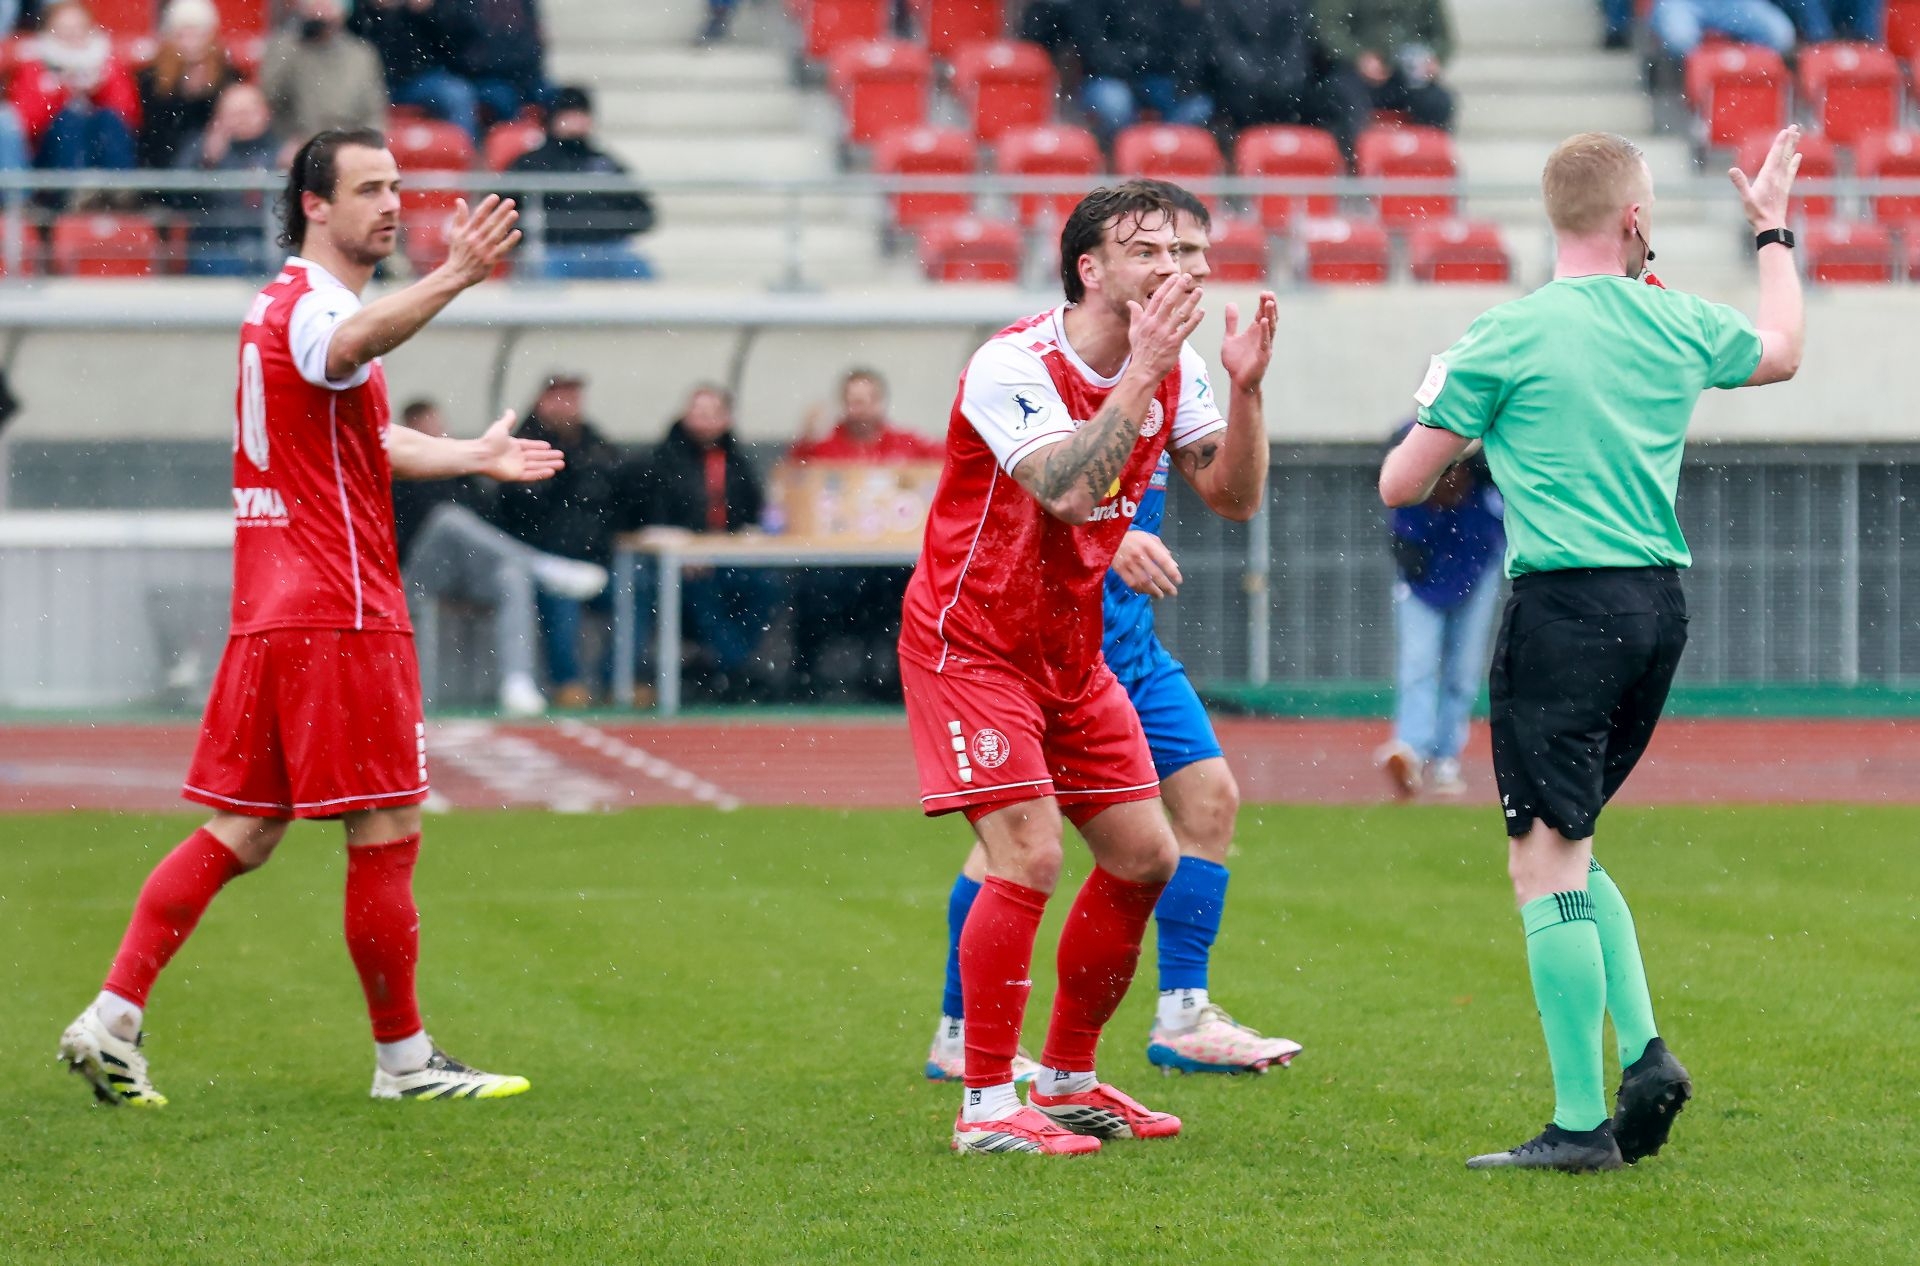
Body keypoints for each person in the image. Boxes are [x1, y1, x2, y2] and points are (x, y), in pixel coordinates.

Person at [56, 128, 549, 1108]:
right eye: (369, 188)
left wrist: (469, 457)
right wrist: (453, 276)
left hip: (274, 608)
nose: (393, 203)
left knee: (244, 828)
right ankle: (404, 1063)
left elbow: (357, 424)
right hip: (340, 610)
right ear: (313, 204)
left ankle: (110, 1019)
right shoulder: (324, 311)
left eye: (398, 185)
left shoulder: (281, 305)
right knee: (387, 824)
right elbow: (351, 346)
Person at [1379, 127, 1804, 1170]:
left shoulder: (1507, 333)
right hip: (1657, 607)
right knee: (1572, 844)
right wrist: (1773, 231)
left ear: (1552, 215)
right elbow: (1784, 350)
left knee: (1541, 860)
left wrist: (1460, 402)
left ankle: (1579, 1126)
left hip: (1563, 609)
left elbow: (1400, 481)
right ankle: (1647, 1054)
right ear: (1635, 219)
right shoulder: (1674, 320)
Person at [900, 179, 1274, 1155]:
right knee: (1027, 854)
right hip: (972, 640)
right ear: (1091, 269)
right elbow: (1068, 491)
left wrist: (1244, 391)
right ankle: (985, 1104)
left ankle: (1066, 1078)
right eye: (1153, 250)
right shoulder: (1010, 361)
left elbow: (1232, 498)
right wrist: (1143, 374)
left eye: (1192, 251)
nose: (1180, 268)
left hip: (1070, 649)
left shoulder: (1181, 369)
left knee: (1147, 856)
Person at [392, 397, 611, 717]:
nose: (436, 431)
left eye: (438, 424)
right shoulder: (397, 468)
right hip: (414, 575)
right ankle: (542, 565)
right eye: (426, 425)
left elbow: (486, 518)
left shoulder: (457, 467)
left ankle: (517, 682)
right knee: (447, 518)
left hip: (462, 569)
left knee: (512, 574)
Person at [785, 367, 941, 701]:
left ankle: (895, 680)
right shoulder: (823, 448)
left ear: (881, 402)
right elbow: (792, 485)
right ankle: (807, 679)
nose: (861, 409)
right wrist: (803, 442)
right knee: (812, 590)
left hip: (892, 562)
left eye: (868, 400)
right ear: (843, 404)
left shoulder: (907, 444)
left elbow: (945, 462)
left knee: (909, 593)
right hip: (836, 563)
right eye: (854, 401)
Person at [487, 372, 631, 709]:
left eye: (574, 398)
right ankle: (567, 682)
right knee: (558, 595)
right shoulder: (524, 444)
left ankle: (618, 679)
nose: (569, 407)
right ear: (543, 401)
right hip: (541, 560)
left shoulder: (597, 445)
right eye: (561, 398)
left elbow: (617, 498)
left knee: (635, 588)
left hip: (595, 560)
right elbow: (520, 510)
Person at [1377, 422, 1504, 800]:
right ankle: (1411, 751)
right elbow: (1389, 469)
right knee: (1418, 664)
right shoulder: (1410, 437)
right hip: (1422, 570)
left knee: (1462, 672)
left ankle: (1447, 758)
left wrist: (1470, 451)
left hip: (1475, 569)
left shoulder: (1484, 457)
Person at [630, 384, 776, 702]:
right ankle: (733, 669)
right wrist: (687, 546)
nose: (706, 421)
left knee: (768, 585)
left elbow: (753, 511)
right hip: (680, 566)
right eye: (699, 412)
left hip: (729, 559)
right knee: (699, 591)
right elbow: (652, 516)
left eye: (713, 413)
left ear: (726, 418)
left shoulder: (736, 460)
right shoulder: (663, 459)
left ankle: (725, 666)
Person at [503, 85, 654, 281]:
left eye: (581, 113)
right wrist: (554, 232)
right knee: (542, 268)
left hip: (606, 250)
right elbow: (504, 213)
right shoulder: (531, 163)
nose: (576, 121)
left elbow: (644, 215)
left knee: (639, 269)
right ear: (553, 117)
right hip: (553, 250)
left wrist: (601, 228)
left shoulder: (606, 163)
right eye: (569, 113)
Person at [9, 1, 140, 173]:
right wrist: (61, 93)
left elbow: (129, 115)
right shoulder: (34, 65)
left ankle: (119, 187)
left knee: (107, 119)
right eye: (64, 28)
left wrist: (99, 91)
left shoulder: (109, 63)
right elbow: (26, 124)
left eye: (78, 27)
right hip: (51, 155)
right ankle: (76, 187)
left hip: (100, 147)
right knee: (68, 121)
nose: (72, 34)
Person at [1314, 0, 1456, 157]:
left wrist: (1433, 58)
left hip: (1407, 75)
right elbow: (1329, 29)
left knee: (1437, 102)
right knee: (1346, 102)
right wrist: (1358, 57)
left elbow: (1441, 36)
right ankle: (1355, 162)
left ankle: (1426, 159)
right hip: (1354, 76)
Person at [1065, 0, 1213, 143]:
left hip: (1156, 78)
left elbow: (1181, 45)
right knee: (1115, 106)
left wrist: (1191, 13)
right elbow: (1091, 45)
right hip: (1107, 77)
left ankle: (1159, 153)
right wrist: (1132, 60)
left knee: (1197, 106)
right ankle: (1123, 155)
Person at [174, 82, 280, 276]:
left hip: (271, 245)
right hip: (216, 244)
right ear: (219, 117)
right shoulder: (202, 148)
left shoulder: (282, 148)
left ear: (266, 113)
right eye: (235, 113)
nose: (242, 120)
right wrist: (205, 163)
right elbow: (176, 199)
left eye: (249, 112)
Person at [349, 0, 483, 142]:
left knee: (457, 94)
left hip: (416, 81)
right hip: (366, 82)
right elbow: (345, 37)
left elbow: (455, 44)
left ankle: (462, 155)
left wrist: (428, 11)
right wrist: (374, 8)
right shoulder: (359, 11)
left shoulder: (419, 9)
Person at [261, 0, 388, 144]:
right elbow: (269, 96)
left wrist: (365, 146)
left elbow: (374, 112)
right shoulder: (284, 47)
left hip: (347, 142)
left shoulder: (361, 55)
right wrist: (296, 42)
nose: (320, 11)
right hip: (295, 142)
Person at [136, 0, 240, 171]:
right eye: (183, 34)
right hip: (162, 164)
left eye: (198, 34)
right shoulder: (150, 79)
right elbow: (151, 132)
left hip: (212, 165)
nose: (191, 42)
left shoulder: (227, 76)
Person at [1648, 0, 1796, 57]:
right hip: (1684, 3)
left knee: (1781, 35)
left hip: (1734, 4)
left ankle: (1744, 75)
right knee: (1680, 38)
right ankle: (1695, 88)